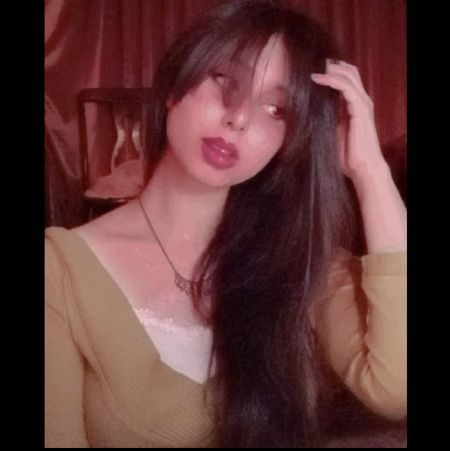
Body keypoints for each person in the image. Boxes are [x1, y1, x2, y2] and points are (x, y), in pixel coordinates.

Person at [45, 0, 407, 447]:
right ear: (175, 86)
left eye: (276, 110)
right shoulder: (60, 271)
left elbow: (396, 388)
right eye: (225, 81)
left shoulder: (297, 262)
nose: (239, 118)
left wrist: (370, 171)